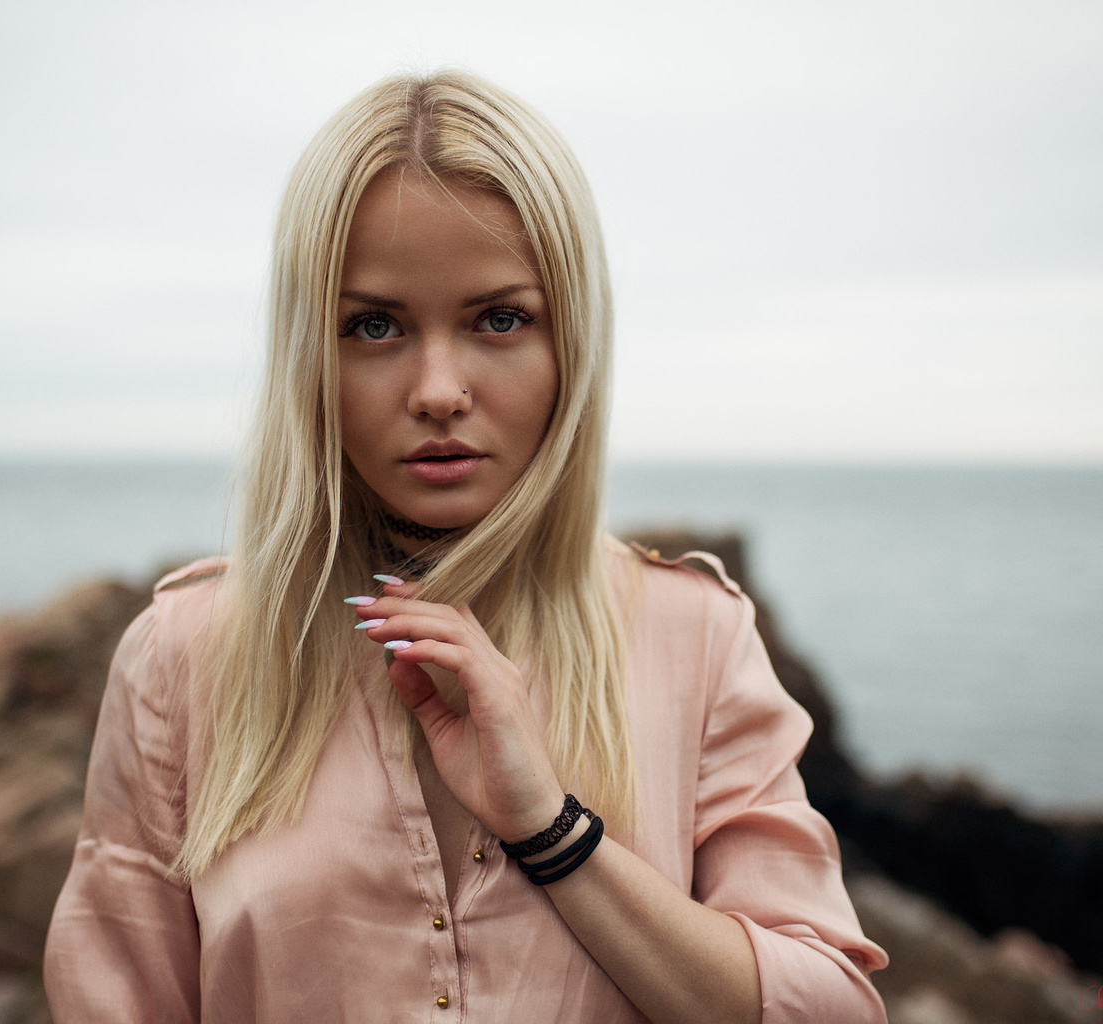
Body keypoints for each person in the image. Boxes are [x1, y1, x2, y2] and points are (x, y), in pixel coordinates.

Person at [44, 70, 889, 1023]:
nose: (439, 389)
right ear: (307, 355)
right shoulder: (184, 652)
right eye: (373, 325)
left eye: (499, 318)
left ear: (571, 339)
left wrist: (552, 828)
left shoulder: (694, 635)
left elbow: (831, 1010)